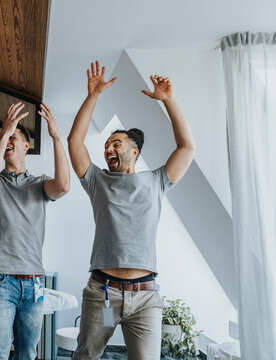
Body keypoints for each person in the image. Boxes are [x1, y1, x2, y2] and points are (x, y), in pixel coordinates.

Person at [68, 61, 195, 359]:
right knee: (87, 355)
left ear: (134, 151)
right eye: (106, 146)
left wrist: (169, 101)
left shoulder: (157, 181)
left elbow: (187, 147)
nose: (108, 149)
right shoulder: (97, 180)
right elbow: (75, 140)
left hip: (145, 298)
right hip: (105, 295)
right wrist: (93, 96)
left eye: (116, 144)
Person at [0, 102, 70, 359]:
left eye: (14, 137)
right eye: (6, 137)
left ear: (26, 146)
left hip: (33, 282)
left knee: (28, 353)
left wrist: (56, 137)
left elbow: (63, 186)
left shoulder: (39, 184)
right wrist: (5, 132)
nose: (8, 140)